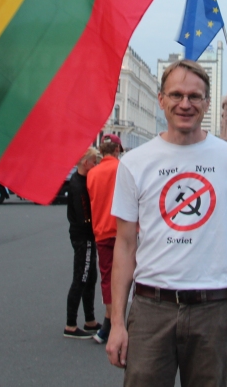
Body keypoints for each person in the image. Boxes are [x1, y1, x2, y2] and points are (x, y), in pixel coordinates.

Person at [105, 59, 227, 386]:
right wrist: (118, 323)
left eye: (195, 97)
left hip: (213, 308)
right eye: (176, 94)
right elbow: (124, 246)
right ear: (161, 99)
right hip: (152, 308)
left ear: (207, 103)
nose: (185, 104)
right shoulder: (134, 163)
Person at [87, 134, 124, 344]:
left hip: (101, 229)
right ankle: (121, 322)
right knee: (129, 276)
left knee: (107, 278)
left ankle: (109, 323)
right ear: (117, 150)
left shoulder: (93, 173)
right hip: (123, 231)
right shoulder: (122, 170)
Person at [65, 148, 101, 339]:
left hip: (85, 235)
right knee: (81, 277)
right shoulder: (78, 185)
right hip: (83, 236)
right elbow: (84, 216)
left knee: (90, 277)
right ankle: (70, 324)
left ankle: (90, 320)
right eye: (94, 162)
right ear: (86, 163)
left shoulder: (80, 181)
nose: (95, 165)